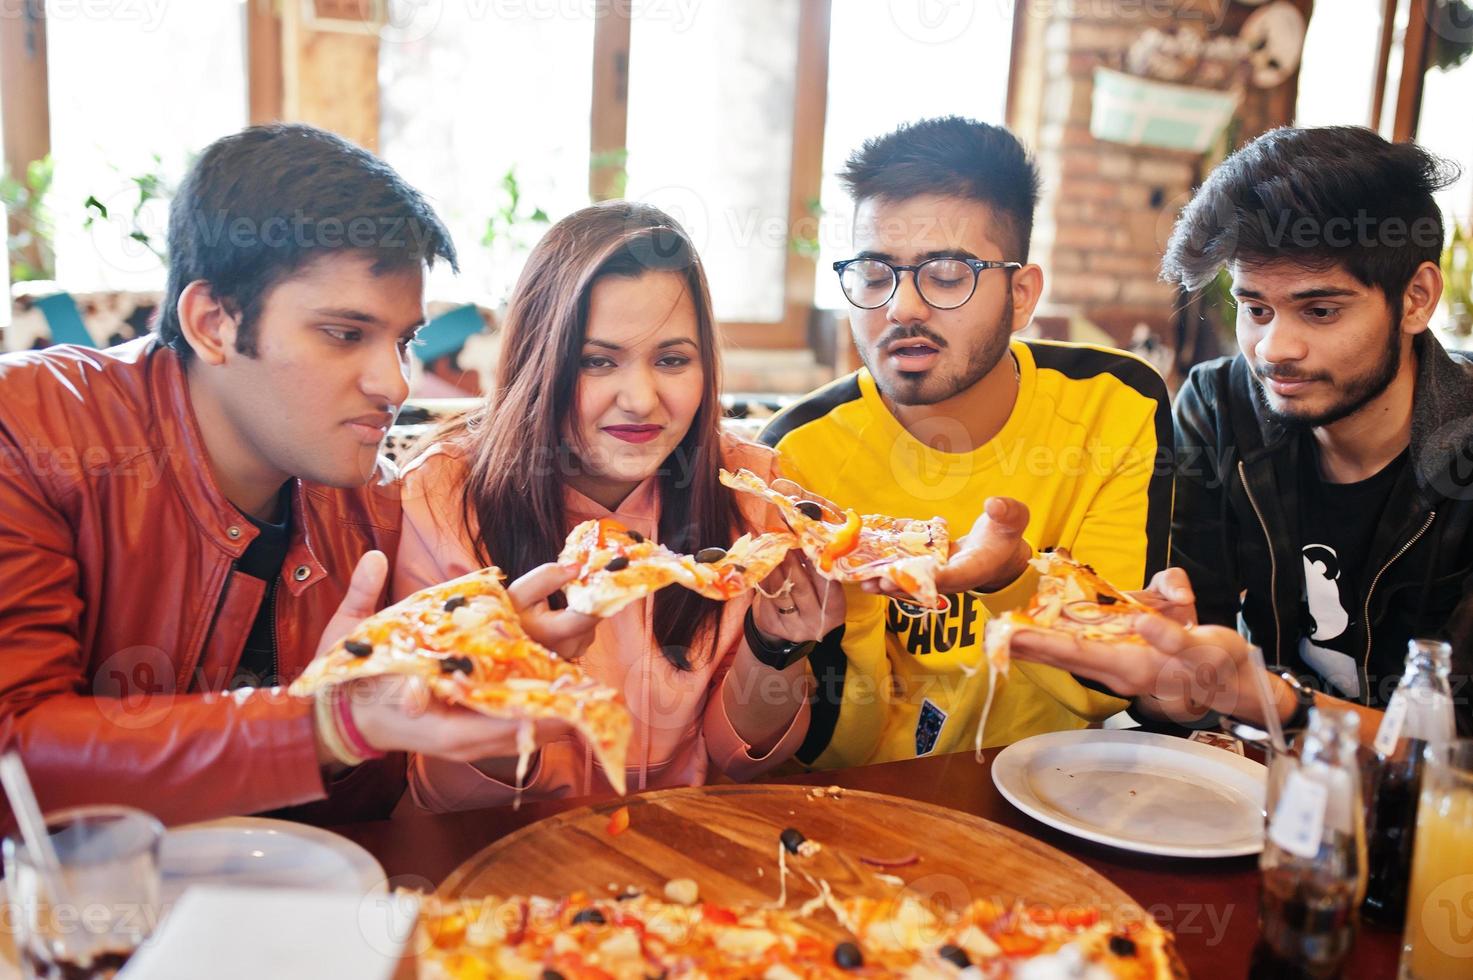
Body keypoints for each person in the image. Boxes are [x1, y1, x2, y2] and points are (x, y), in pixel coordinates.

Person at [0, 124, 541, 826]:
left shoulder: (374, 511)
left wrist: (471, 686)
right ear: (213, 323)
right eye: (346, 334)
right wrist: (320, 723)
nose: (394, 383)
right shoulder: (34, 431)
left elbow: (368, 810)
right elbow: (16, 752)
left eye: (403, 340)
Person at [1010, 126, 1473, 740]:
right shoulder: (1221, 406)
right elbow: (1196, 680)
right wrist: (1166, 685)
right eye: (1256, 310)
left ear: (1416, 298)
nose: (1274, 350)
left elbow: (1459, 752)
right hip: (1251, 788)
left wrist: (1276, 703)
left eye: (1320, 310)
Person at [759, 117, 1174, 768]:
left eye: (946, 274)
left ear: (1020, 294)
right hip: (871, 800)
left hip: (1057, 789)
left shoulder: (1114, 402)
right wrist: (855, 607)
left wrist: (1010, 581)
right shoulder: (795, 452)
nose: (901, 309)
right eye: (873, 274)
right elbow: (829, 747)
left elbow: (1108, 687)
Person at [397, 202, 839, 811]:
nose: (640, 398)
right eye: (596, 361)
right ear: (537, 359)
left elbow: (739, 763)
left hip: (683, 864)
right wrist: (503, 695)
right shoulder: (443, 498)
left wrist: (777, 647)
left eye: (672, 359)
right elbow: (449, 799)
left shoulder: (752, 491)